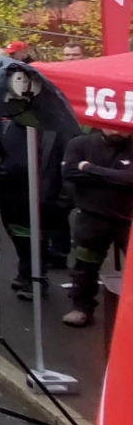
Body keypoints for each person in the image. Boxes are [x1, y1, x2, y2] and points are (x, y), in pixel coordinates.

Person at [59, 128, 132, 327]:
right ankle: (81, 307)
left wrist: (89, 169)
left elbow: (130, 179)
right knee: (84, 265)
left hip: (129, 220)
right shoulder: (80, 143)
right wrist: (115, 176)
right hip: (91, 217)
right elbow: (70, 171)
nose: (116, 129)